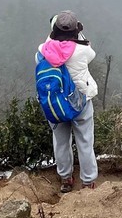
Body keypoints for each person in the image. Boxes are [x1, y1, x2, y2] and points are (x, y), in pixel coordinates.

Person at [38, 10, 98, 192]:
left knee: (61, 142)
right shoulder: (83, 51)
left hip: (55, 104)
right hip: (80, 102)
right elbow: (90, 50)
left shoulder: (43, 51)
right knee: (85, 141)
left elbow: (49, 45)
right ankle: (88, 181)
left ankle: (66, 178)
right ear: (75, 32)